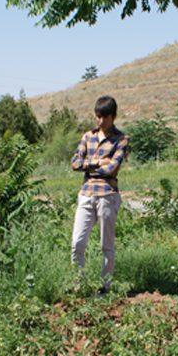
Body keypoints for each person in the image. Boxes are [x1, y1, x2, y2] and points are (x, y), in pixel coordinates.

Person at [70, 96, 129, 294]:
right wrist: (96, 163)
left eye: (104, 117)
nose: (100, 121)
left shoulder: (120, 140)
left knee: (107, 245)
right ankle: (78, 284)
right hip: (87, 193)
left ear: (113, 116)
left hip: (107, 195)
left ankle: (105, 287)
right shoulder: (88, 137)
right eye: (98, 117)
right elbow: (75, 163)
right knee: (78, 242)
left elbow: (112, 169)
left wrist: (90, 165)